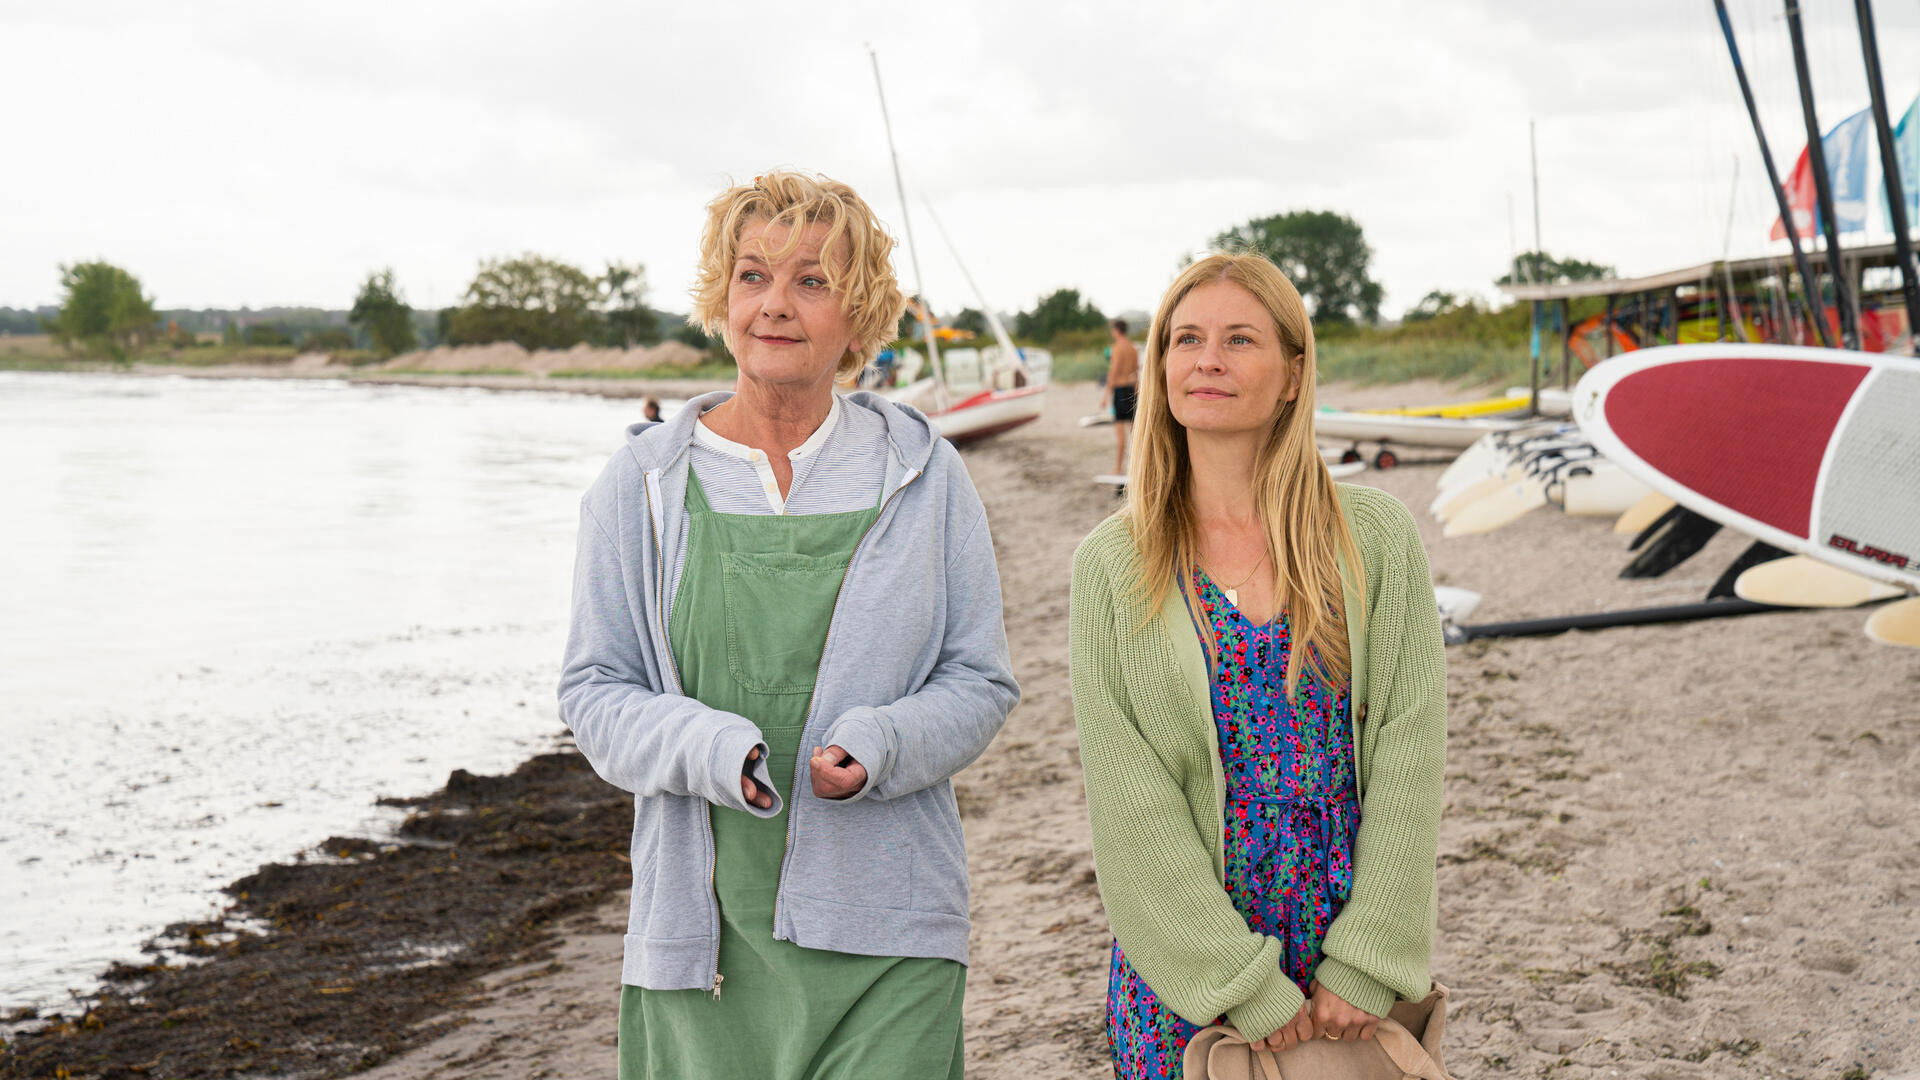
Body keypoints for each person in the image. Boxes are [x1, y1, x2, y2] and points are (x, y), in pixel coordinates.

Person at [559, 170, 1019, 1079]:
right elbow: (594, 691)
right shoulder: (640, 487)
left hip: (892, 932)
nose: (775, 304)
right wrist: (707, 747)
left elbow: (980, 680)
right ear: (721, 299)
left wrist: (882, 743)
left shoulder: (925, 475)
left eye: (812, 280)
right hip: (700, 944)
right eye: (752, 276)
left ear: (860, 315)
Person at [1069, 252, 1446, 1077]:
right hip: (1188, 970)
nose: (1207, 360)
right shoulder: (1113, 563)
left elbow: (1409, 749)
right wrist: (1237, 983)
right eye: (1186, 339)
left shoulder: (1376, 537)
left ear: (1292, 374)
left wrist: (1368, 958)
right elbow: (1130, 800)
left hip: (1346, 953)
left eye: (1239, 339)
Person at [1102, 317, 1140, 473]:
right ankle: (1138, 467)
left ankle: (1118, 468)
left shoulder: (1117, 348)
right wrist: (1138, 392)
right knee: (1135, 433)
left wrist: (1106, 396)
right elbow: (1136, 372)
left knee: (1120, 435)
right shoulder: (1132, 348)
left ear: (1116, 331)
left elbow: (1114, 371)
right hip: (1131, 390)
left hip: (1120, 390)